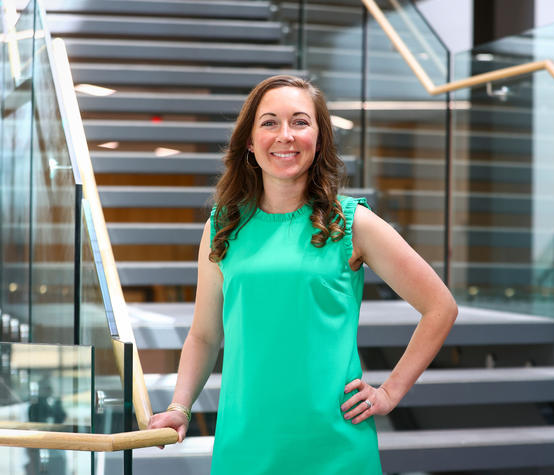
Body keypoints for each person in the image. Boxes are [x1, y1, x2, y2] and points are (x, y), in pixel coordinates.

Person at [148, 75, 458, 474]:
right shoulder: (222, 225)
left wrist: (390, 391)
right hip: (245, 443)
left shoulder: (352, 223)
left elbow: (440, 307)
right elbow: (204, 335)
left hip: (334, 446)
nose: (285, 136)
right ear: (249, 140)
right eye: (270, 122)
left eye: (300, 122)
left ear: (319, 137)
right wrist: (179, 406)